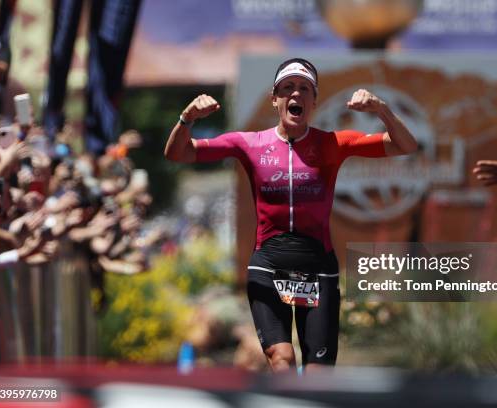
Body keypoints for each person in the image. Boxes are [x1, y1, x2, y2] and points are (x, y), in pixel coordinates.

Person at [164, 58, 418, 372]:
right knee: (281, 359)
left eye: (303, 89)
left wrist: (382, 110)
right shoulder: (250, 143)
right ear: (275, 99)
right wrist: (187, 118)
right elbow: (178, 153)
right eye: (287, 88)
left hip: (318, 267)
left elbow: (405, 145)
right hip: (268, 265)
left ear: (314, 101)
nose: (295, 94)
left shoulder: (333, 143)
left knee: (318, 371)